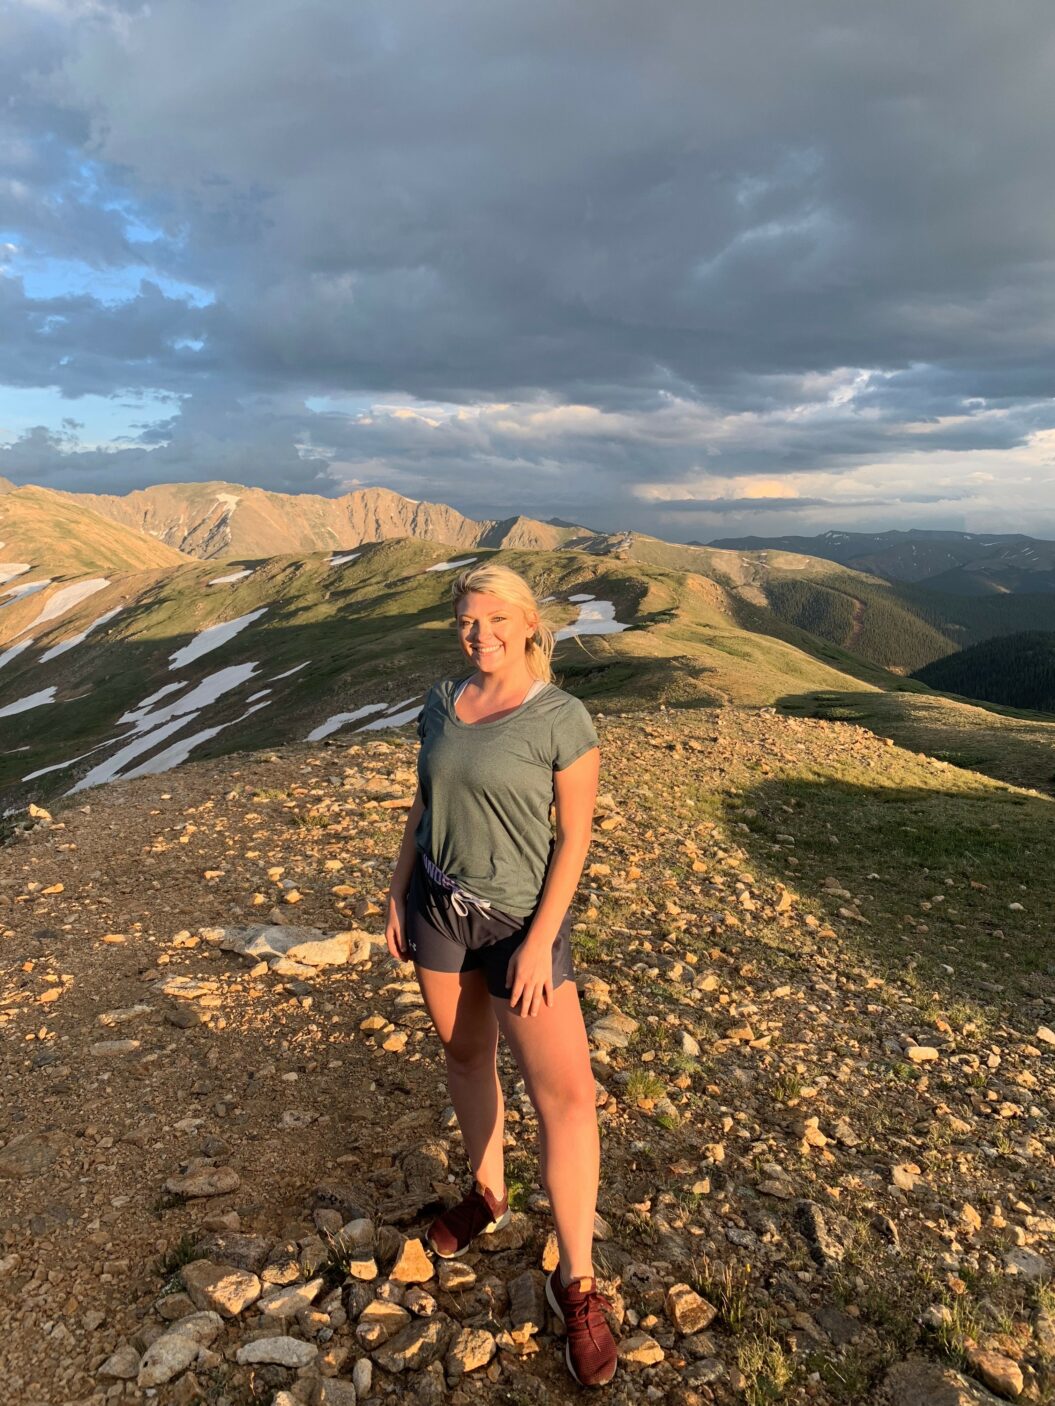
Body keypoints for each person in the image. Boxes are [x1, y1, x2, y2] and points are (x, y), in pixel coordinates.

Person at [385, 561, 619, 1388]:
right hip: (436, 907)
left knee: (567, 1097)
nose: (478, 635)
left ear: (526, 624)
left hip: (520, 924)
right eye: (466, 622)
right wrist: (395, 890)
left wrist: (539, 939)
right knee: (463, 1055)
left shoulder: (560, 717)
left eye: (493, 620)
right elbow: (423, 804)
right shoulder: (441, 702)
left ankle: (576, 1282)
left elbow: (575, 838)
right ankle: (487, 1193)